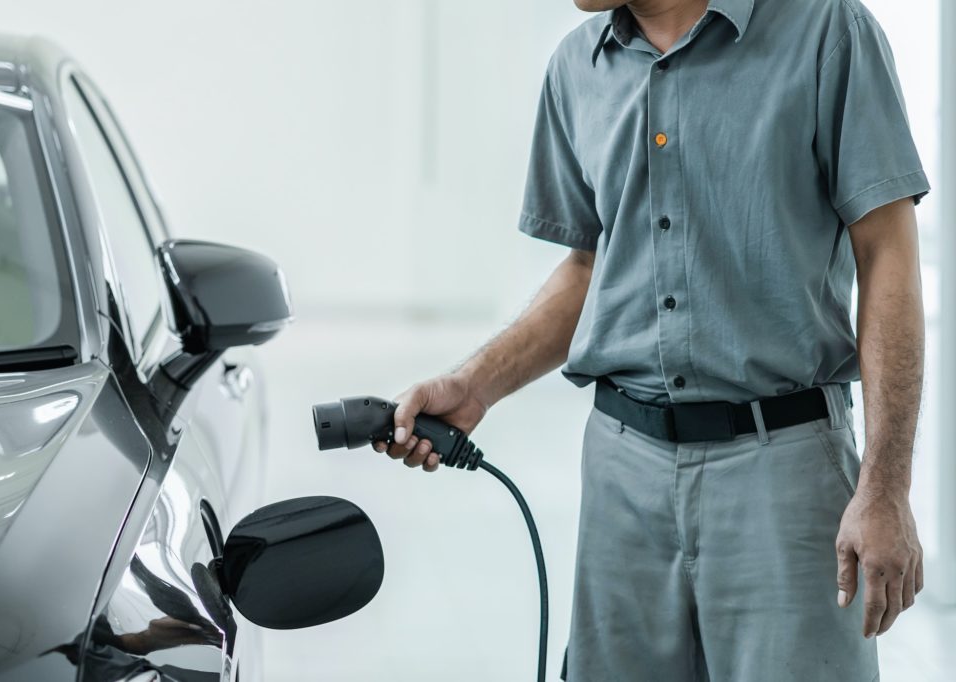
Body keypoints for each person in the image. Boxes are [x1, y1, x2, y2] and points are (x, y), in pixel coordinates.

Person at [373, 0, 929, 679]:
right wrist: (475, 383)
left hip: (781, 474)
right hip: (621, 476)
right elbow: (591, 268)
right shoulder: (577, 67)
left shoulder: (826, 32)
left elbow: (888, 258)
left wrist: (886, 486)